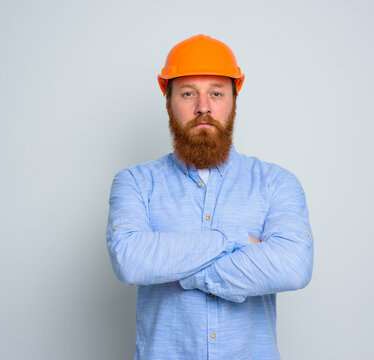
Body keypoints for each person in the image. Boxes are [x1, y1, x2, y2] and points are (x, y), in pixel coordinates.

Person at [106, 34, 314, 360]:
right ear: (168, 101)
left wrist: (172, 267)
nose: (203, 107)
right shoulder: (134, 182)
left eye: (216, 93)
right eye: (188, 94)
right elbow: (131, 261)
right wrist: (234, 239)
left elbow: (292, 267)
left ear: (233, 100)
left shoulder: (277, 183)